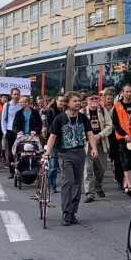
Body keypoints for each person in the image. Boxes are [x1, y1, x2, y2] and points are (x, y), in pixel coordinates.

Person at [43, 91, 101, 226]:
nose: (78, 103)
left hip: (80, 152)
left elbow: (90, 134)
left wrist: (94, 148)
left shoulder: (83, 118)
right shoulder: (60, 118)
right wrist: (48, 152)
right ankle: (65, 211)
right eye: (75, 101)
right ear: (67, 103)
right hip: (65, 154)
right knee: (68, 181)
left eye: (79, 101)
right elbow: (52, 136)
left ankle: (72, 212)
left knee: (77, 184)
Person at [81, 92, 113, 202]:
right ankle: (89, 193)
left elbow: (109, 126)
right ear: (87, 101)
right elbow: (79, 128)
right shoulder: (82, 112)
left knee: (101, 169)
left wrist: (99, 135)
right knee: (88, 169)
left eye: (96, 98)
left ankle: (98, 186)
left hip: (101, 144)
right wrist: (89, 137)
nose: (94, 100)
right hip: (87, 145)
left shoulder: (103, 111)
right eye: (92, 98)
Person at [100, 87, 124, 190]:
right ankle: (98, 181)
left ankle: (120, 180)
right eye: (108, 99)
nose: (109, 101)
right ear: (104, 98)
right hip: (103, 135)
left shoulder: (117, 107)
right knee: (101, 160)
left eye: (111, 99)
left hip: (114, 135)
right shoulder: (99, 108)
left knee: (118, 158)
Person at [1, 88, 24, 179]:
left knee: (20, 151)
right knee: (11, 151)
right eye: (15, 94)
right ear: (11, 95)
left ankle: (20, 170)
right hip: (10, 130)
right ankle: (11, 171)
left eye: (18, 94)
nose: (16, 96)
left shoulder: (21, 105)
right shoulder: (7, 105)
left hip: (19, 131)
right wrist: (4, 132)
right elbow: (3, 119)